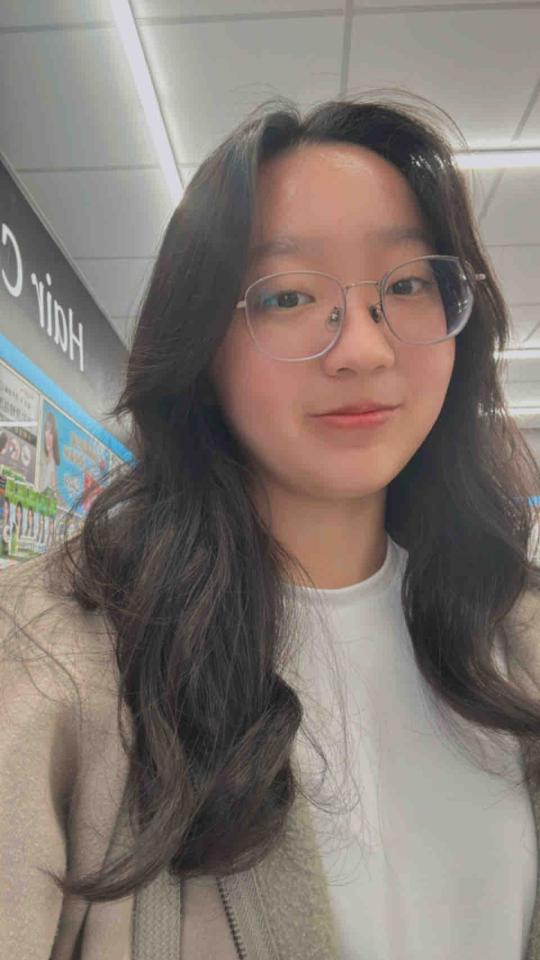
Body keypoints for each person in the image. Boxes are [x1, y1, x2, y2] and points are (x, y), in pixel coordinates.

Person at [1, 93, 540, 960]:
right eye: (289, 296)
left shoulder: (512, 627)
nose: (363, 349)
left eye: (407, 286)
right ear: (200, 344)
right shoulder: (54, 658)